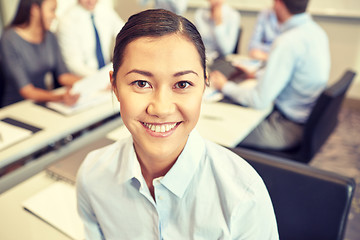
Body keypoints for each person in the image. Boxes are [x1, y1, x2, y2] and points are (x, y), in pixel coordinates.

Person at [76, 9, 278, 239]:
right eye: (141, 83)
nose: (161, 108)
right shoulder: (92, 177)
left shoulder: (243, 196)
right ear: (114, 86)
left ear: (205, 84)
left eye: (182, 84)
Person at [210, 0, 330, 150]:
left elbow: (258, 100)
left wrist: (224, 86)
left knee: (217, 130)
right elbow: (294, 74)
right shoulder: (316, 32)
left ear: (278, 5)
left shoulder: (287, 42)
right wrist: (259, 74)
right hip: (305, 119)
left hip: (287, 127)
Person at [0, 0, 81, 107]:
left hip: (43, 101)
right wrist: (60, 97)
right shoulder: (9, 39)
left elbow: (63, 76)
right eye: (52, 10)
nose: (54, 16)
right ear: (34, 9)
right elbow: (27, 91)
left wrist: (94, 82)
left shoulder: (50, 36)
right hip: (16, 107)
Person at [56, 0, 124, 77]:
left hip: (106, 71)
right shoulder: (67, 22)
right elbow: (75, 64)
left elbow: (124, 33)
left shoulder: (105, 10)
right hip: (84, 77)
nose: (91, 1)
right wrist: (101, 78)